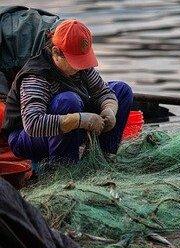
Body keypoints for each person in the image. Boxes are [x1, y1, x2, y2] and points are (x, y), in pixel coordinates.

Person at [1, 18, 133, 165]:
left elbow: (103, 92)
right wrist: (79, 120)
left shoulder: (82, 67)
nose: (79, 67)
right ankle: (64, 167)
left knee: (122, 90)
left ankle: (103, 157)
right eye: (75, 62)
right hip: (26, 136)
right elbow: (33, 124)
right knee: (68, 100)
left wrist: (109, 109)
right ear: (56, 52)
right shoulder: (36, 77)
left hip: (71, 120)